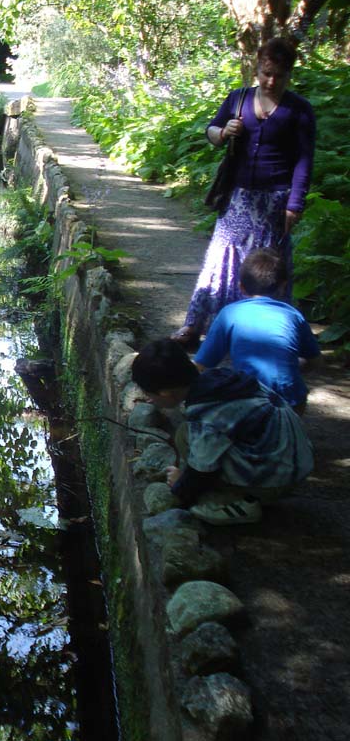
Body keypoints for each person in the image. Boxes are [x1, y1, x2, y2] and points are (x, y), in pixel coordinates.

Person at [171, 37, 316, 348]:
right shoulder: (238, 99)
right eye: (265, 73)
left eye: (278, 75)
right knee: (220, 259)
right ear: (257, 69)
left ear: (289, 74)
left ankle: (264, 334)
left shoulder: (299, 111)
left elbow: (305, 161)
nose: (271, 81)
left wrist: (295, 204)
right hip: (238, 197)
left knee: (266, 268)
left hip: (275, 200)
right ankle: (195, 325)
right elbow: (211, 131)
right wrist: (223, 132)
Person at [131, 338, 313, 525]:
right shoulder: (221, 379)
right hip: (296, 460)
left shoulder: (207, 415)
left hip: (277, 480)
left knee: (190, 450)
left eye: (149, 393)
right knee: (186, 434)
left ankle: (238, 503)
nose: (149, 399)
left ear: (164, 393)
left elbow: (202, 470)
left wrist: (180, 486)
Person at [194, 248, 321, 413]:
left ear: (241, 287)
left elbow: (202, 364)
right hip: (291, 401)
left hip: (249, 398)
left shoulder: (230, 313)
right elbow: (316, 361)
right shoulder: (293, 314)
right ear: (283, 286)